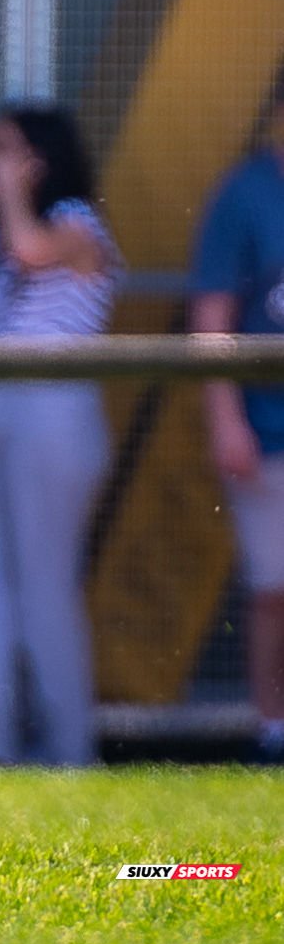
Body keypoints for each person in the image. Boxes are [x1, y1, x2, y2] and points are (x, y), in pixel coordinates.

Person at [0, 106, 120, 767]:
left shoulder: (79, 225)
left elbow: (31, 251)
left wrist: (15, 195)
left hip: (54, 413)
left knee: (44, 588)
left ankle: (68, 752)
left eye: (6, 150)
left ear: (41, 159)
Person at [192, 69, 284, 762]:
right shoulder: (245, 193)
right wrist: (226, 419)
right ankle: (273, 728)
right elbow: (213, 319)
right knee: (274, 589)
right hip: (268, 429)